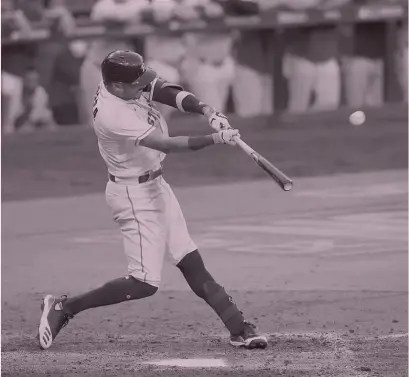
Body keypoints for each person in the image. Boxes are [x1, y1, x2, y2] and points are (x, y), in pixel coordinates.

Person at [37, 50, 268, 351]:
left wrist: (206, 110)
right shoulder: (112, 115)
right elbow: (166, 144)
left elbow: (162, 88)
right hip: (133, 195)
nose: (143, 86)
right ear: (117, 87)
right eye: (137, 83)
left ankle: (239, 328)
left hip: (156, 184)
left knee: (190, 259)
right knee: (144, 283)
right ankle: (64, 307)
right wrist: (215, 139)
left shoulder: (121, 83)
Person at [79, 0, 148, 126]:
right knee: (97, 118)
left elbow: (144, 13)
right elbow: (113, 18)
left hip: (121, 73)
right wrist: (129, 20)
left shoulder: (139, 3)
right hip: (96, 67)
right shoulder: (102, 5)